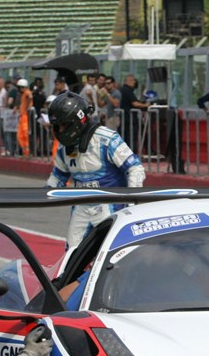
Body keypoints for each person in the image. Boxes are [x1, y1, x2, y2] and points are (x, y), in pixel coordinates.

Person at [46, 92, 145, 249]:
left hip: (112, 206)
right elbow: (57, 178)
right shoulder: (63, 148)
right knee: (71, 256)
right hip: (81, 206)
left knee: (115, 253)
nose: (60, 130)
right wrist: (39, 196)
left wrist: (131, 206)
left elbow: (135, 168)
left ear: (77, 120)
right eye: (57, 126)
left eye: (63, 125)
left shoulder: (107, 138)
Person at [15, 78, 32, 157]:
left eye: (22, 87)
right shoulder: (23, 94)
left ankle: (27, 152)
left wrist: (27, 108)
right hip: (22, 116)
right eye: (20, 87)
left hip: (25, 116)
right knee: (20, 135)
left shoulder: (27, 92)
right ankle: (25, 151)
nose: (21, 89)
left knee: (25, 134)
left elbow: (30, 97)